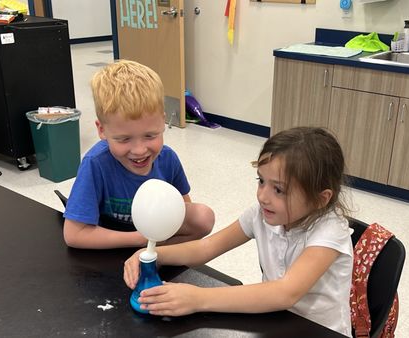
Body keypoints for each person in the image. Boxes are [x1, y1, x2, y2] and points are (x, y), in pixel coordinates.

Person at [123, 127, 354, 336]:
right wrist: (153, 255)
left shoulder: (330, 230)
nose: (263, 196)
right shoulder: (261, 214)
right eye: (261, 181)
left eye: (279, 190)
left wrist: (198, 298)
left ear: (320, 199)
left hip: (319, 331)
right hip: (274, 320)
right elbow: (207, 247)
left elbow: (285, 293)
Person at [63, 60, 214, 249]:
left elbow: (182, 213)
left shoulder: (168, 159)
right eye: (124, 139)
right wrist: (141, 239)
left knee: (203, 217)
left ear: (163, 121)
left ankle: (158, 257)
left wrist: (155, 249)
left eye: (150, 135)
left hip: (153, 243)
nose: (139, 150)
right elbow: (73, 235)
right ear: (102, 130)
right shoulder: (95, 164)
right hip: (109, 242)